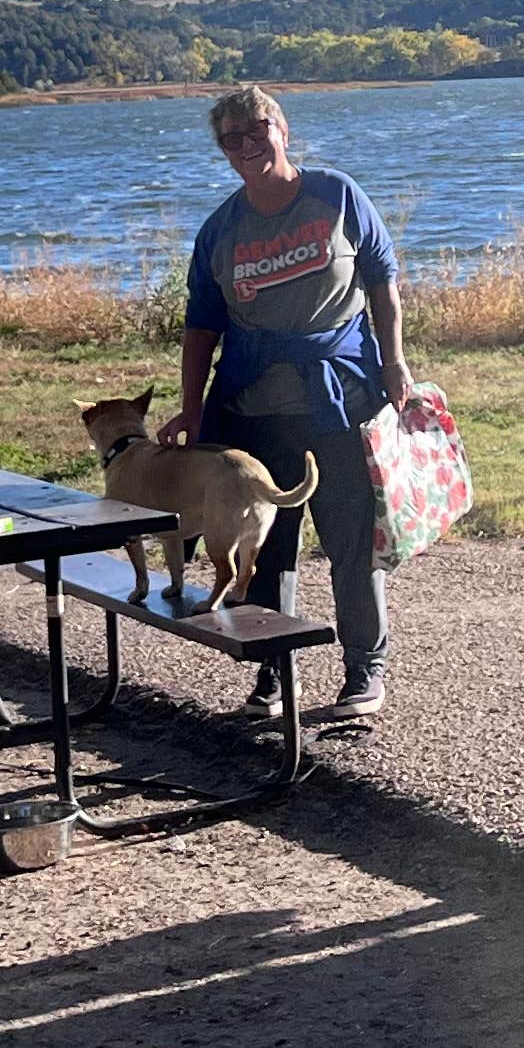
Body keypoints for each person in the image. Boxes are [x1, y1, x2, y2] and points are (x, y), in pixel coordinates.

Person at [158, 85, 405, 718]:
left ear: (283, 129)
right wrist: (191, 408)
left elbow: (382, 277)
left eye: (256, 131)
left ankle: (363, 673)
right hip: (253, 412)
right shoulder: (221, 230)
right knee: (263, 547)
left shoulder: (337, 195)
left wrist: (394, 360)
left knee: (351, 542)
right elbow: (200, 327)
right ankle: (270, 676)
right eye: (231, 140)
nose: (246, 147)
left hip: (339, 400)